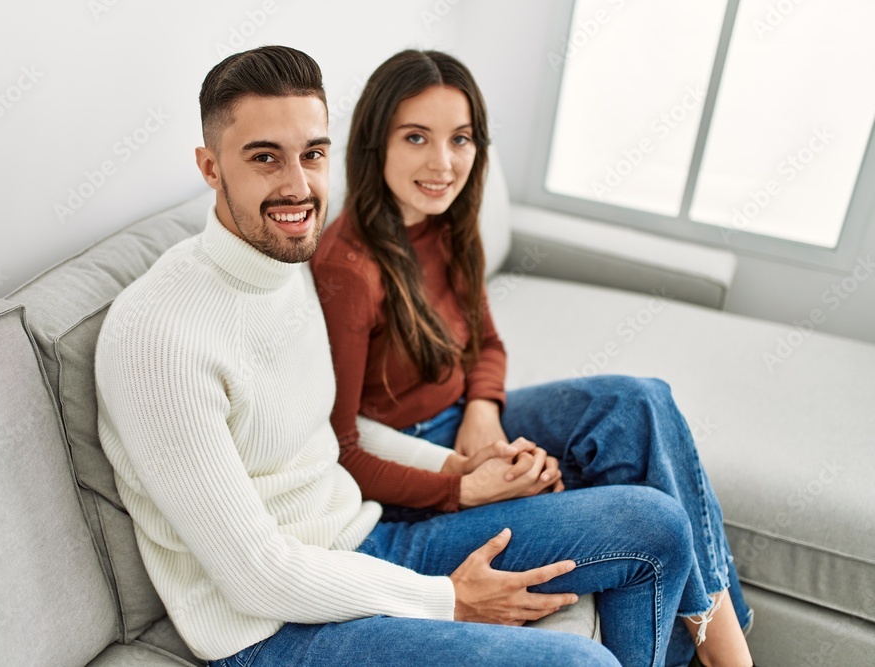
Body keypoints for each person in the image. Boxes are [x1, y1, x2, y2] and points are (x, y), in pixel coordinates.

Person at [96, 44, 707, 667]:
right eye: (264, 158)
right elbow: (256, 575)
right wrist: (447, 599)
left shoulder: (289, 265)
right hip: (271, 630)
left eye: (312, 154)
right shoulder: (158, 339)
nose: (297, 185)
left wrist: (461, 472)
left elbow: (334, 432)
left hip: (366, 540)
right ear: (210, 167)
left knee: (656, 525)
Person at [310, 49, 755, 667]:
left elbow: (487, 345)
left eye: (460, 139)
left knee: (638, 402)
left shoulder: (447, 220)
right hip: (408, 478)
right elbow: (341, 450)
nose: (443, 163)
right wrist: (462, 483)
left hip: (465, 425)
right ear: (373, 143)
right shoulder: (347, 271)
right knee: (647, 518)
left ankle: (719, 642)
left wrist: (484, 409)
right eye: (417, 137)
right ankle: (714, 651)